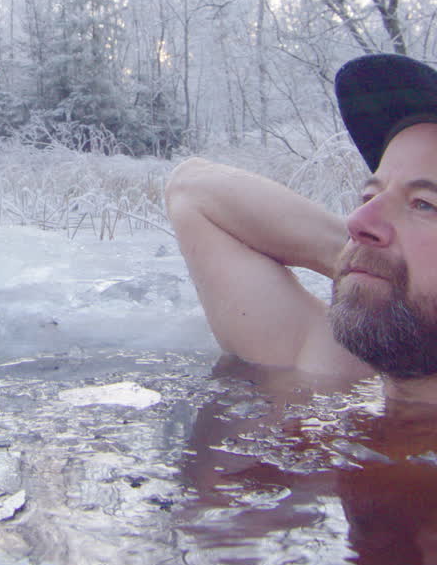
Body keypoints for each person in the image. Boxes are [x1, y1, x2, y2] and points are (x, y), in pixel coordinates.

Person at [165, 52, 437, 405]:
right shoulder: (334, 375)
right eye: (370, 195)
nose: (357, 222)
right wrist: (355, 261)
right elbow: (193, 188)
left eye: (424, 204)